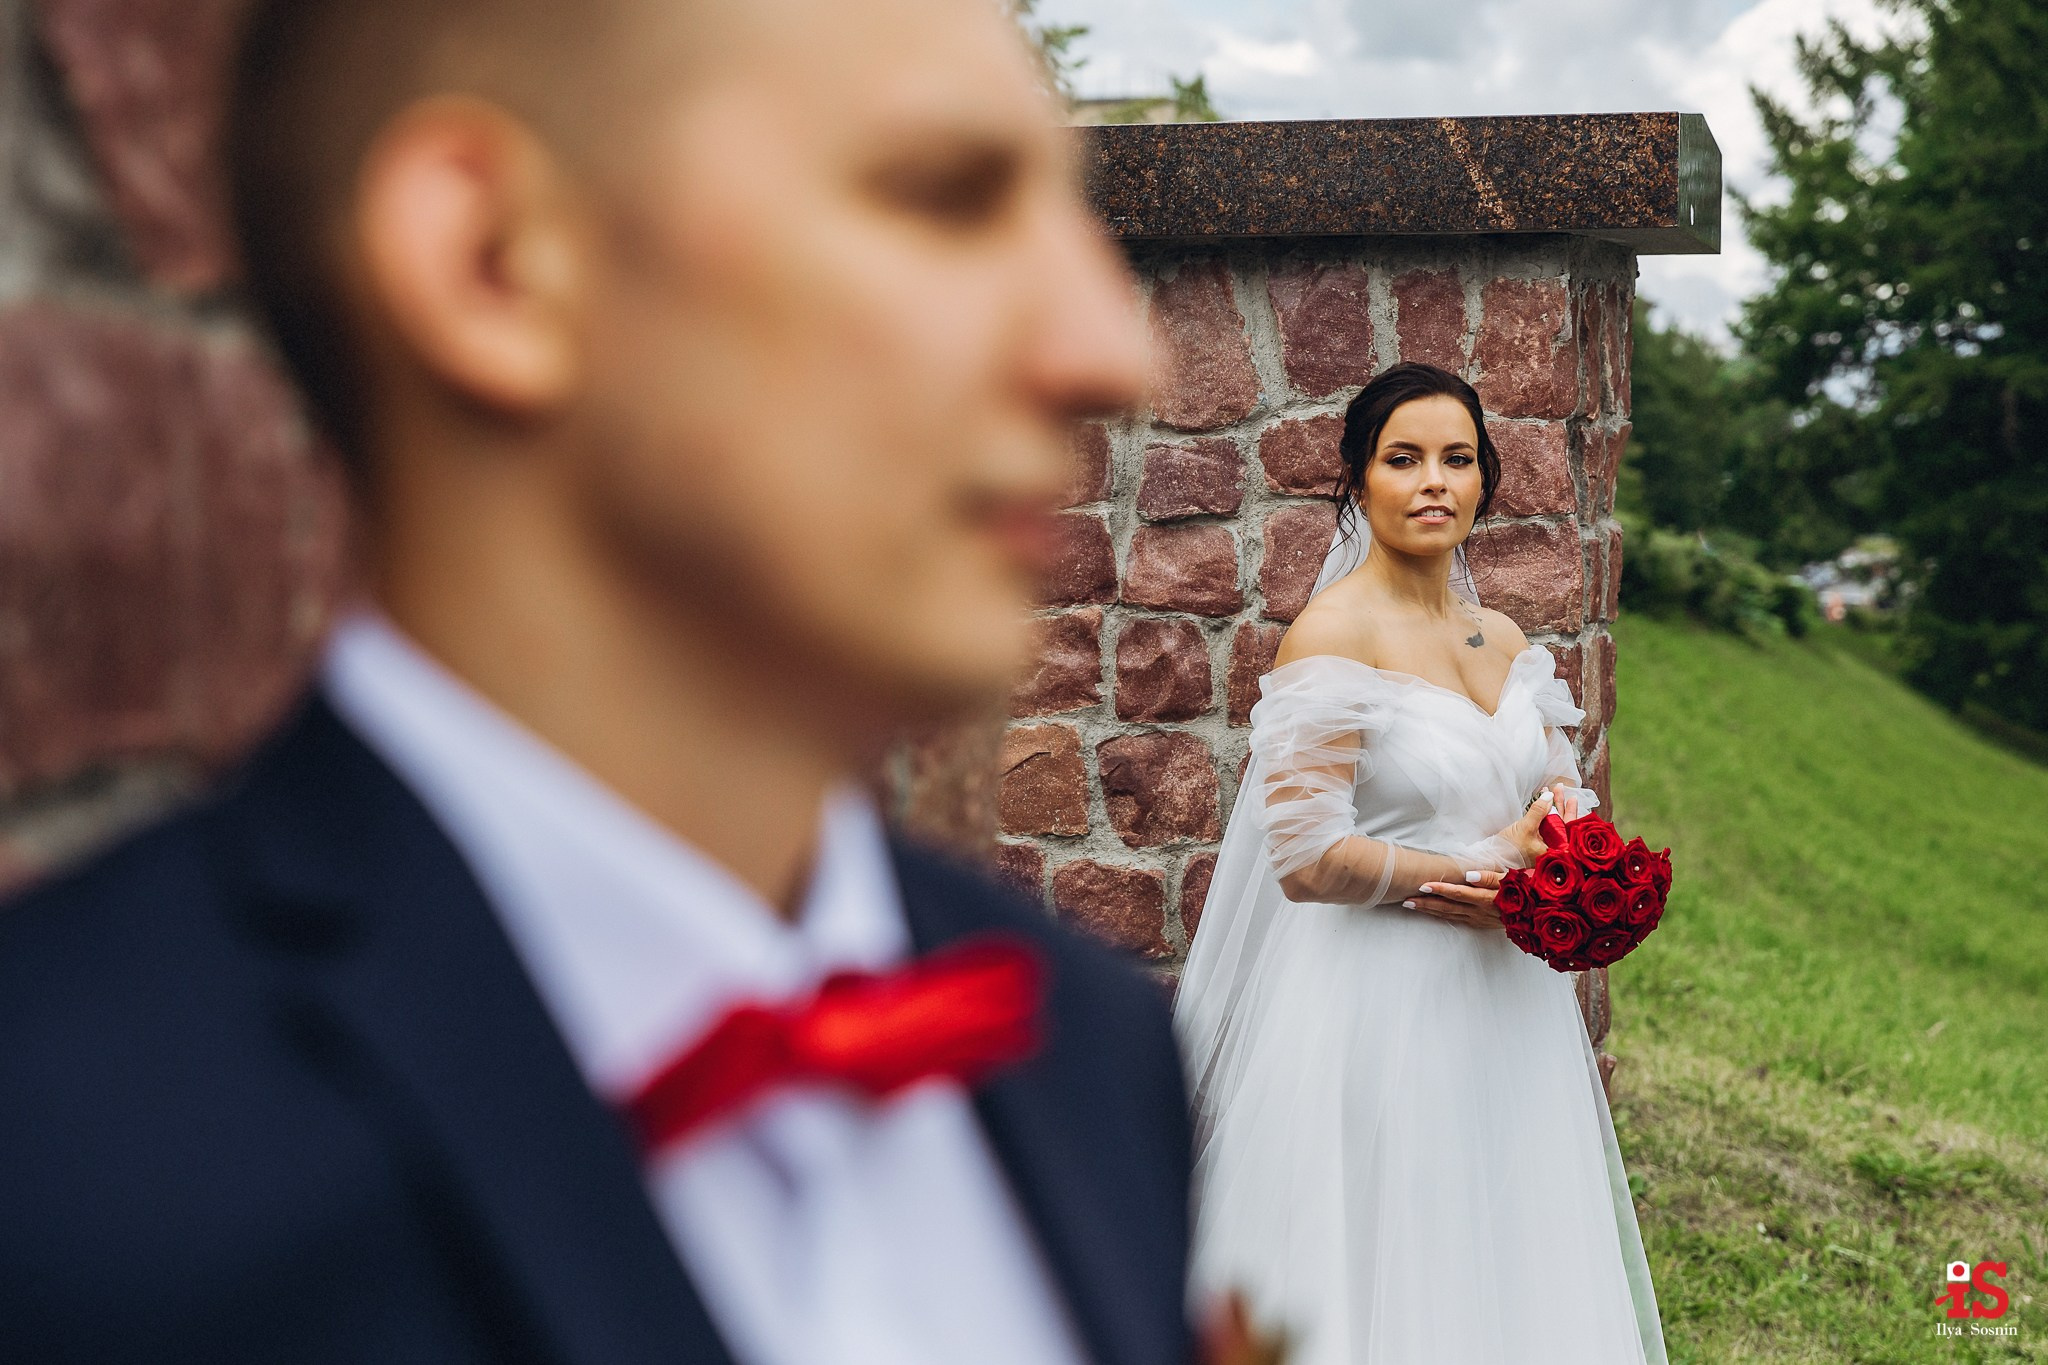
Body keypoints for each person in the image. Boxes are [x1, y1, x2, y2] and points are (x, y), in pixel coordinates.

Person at [0, 0, 1195, 1361]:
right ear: (495, 262)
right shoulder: (56, 1166)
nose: (1115, 353)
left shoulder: (1087, 1047)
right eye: (942, 198)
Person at [1174, 363, 1668, 1365]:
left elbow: (1555, 804)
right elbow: (1305, 856)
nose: (1433, 481)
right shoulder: (1331, 635)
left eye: (1456, 459)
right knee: (1385, 1262)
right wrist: (1471, 865)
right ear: (1357, 481)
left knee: (1506, 1245)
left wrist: (1557, 868)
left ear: (1484, 479)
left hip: (1504, 1005)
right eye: (1403, 459)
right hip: (1375, 1004)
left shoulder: (1504, 639)